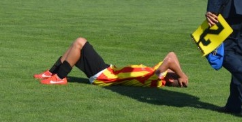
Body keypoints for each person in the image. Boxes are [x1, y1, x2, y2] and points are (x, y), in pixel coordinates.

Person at [34, 37, 188, 88]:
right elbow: (172, 55)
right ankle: (52, 72)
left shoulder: (157, 78)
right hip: (107, 70)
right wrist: (179, 75)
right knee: (76, 44)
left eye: (171, 72)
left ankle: (60, 78)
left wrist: (182, 75)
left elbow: (170, 60)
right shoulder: (157, 73)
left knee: (80, 42)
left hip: (104, 75)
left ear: (170, 77)